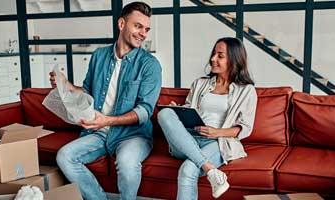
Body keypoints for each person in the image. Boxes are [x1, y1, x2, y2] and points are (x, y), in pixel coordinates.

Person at [49, 2, 161, 200]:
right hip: (99, 132)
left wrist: (105, 121)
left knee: (127, 163)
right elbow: (88, 92)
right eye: (138, 26)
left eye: (146, 29)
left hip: (132, 135)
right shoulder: (99, 56)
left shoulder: (150, 65)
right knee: (64, 156)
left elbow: (145, 111)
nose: (143, 33)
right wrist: (67, 85)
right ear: (121, 24)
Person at [157, 37, 257, 199]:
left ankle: (208, 168)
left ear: (234, 59)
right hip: (187, 139)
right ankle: (211, 170)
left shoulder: (246, 91)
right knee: (165, 113)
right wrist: (178, 110)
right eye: (213, 54)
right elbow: (189, 110)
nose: (213, 59)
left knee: (188, 169)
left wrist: (216, 132)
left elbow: (244, 128)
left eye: (220, 55)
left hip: (218, 143)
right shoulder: (199, 84)